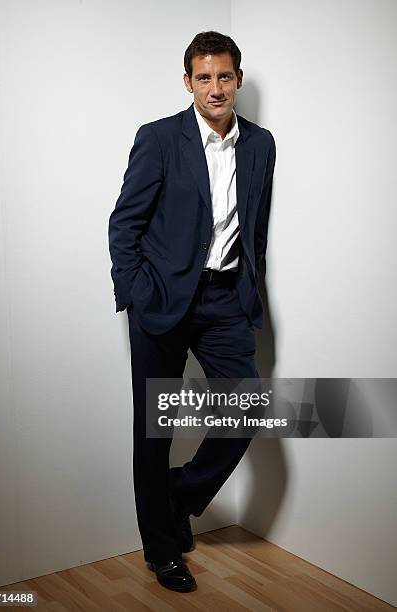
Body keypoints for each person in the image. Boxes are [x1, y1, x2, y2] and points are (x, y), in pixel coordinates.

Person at [108, 30, 276, 593]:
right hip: (160, 299)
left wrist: (251, 282)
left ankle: (176, 497)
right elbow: (124, 223)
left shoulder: (261, 144)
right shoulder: (158, 139)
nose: (215, 88)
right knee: (153, 432)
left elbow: (255, 225)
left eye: (224, 76)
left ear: (238, 80)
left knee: (247, 406)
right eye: (203, 77)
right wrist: (133, 289)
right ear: (188, 83)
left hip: (225, 299)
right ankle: (161, 550)